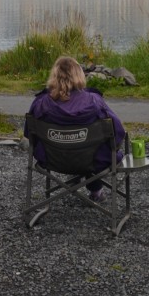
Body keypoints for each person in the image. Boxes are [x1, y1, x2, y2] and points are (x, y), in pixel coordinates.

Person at [26, 56, 126, 202]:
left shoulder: (41, 103)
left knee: (83, 150)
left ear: (54, 75)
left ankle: (75, 174)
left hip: (52, 159)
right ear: (79, 75)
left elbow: (29, 134)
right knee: (102, 151)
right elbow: (118, 133)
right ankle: (95, 191)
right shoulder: (94, 101)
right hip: (92, 160)